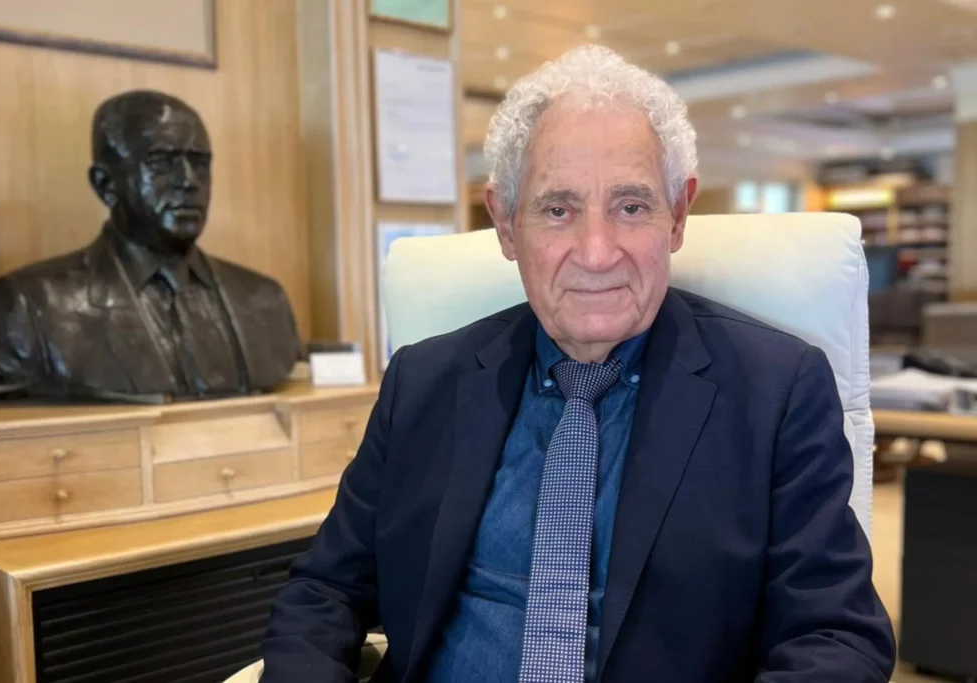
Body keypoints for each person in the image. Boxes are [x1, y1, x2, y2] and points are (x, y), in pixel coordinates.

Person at [261, 45, 895, 682]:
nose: (596, 253)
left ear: (678, 215)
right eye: (558, 210)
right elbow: (324, 592)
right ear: (505, 224)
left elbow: (836, 636)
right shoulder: (424, 382)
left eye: (631, 206)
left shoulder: (775, 391)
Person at [0, 90, 300, 401]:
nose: (189, 180)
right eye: (161, 161)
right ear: (106, 185)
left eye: (200, 163)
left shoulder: (265, 300)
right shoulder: (30, 308)